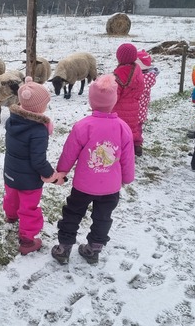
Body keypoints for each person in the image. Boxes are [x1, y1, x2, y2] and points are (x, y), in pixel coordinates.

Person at [49, 74, 135, 265]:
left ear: (91, 101)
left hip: (83, 186)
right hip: (110, 188)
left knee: (72, 213)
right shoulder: (123, 128)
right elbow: (128, 157)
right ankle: (93, 250)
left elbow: (70, 151)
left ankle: (64, 248)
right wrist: (127, 178)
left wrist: (62, 170)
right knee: (103, 218)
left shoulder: (83, 126)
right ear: (114, 101)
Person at [3, 76, 61, 255]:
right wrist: (50, 174)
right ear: (38, 108)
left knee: (11, 196)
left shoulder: (12, 121)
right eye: (45, 104)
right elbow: (38, 160)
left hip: (10, 172)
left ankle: (11, 216)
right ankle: (27, 240)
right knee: (28, 207)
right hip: (28, 180)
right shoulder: (38, 131)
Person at [111, 43, 145, 156]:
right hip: (134, 106)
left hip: (120, 109)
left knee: (119, 131)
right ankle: (135, 147)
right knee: (132, 128)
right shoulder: (137, 69)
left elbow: (114, 95)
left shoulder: (120, 73)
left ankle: (121, 152)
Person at [135, 49, 159, 155]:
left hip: (134, 109)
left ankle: (133, 146)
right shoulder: (149, 77)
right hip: (142, 110)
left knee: (132, 129)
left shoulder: (139, 79)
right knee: (138, 129)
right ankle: (138, 145)